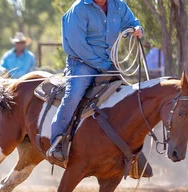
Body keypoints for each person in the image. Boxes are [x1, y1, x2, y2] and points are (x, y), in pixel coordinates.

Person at [48, 0, 143, 163]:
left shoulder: (118, 5)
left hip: (108, 63)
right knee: (73, 97)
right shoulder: (79, 9)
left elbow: (131, 21)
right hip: (81, 63)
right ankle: (57, 142)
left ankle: (132, 149)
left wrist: (137, 28)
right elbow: (78, 45)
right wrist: (103, 65)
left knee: (128, 99)